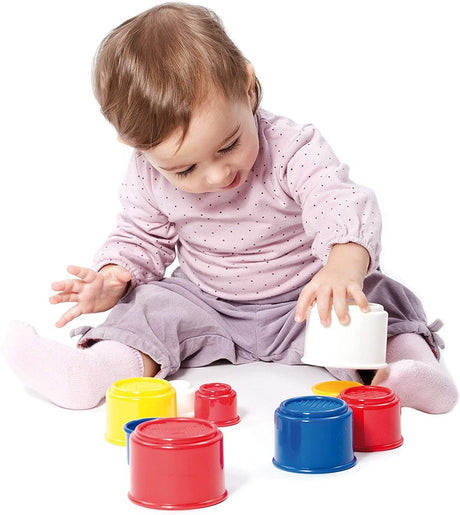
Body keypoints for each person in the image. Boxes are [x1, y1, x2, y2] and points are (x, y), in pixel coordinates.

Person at [4, 3, 457, 413]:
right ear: (139, 149)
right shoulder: (146, 174)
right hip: (207, 304)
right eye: (185, 169)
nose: (217, 175)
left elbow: (336, 200)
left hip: (310, 299)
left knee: (378, 299)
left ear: (246, 86)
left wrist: (342, 268)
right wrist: (112, 279)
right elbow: (140, 237)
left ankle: (408, 373)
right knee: (149, 306)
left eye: (229, 145)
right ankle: (93, 372)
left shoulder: (292, 147)